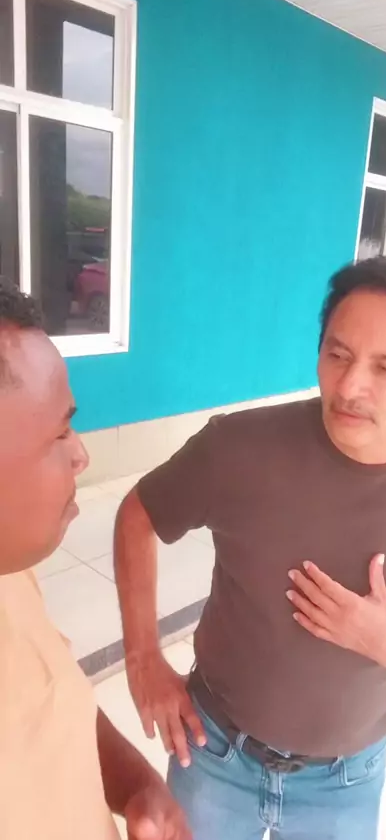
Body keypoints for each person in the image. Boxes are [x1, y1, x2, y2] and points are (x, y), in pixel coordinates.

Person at [114, 256, 386, 840]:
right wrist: (142, 657)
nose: (350, 387)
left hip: (346, 780)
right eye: (338, 354)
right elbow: (138, 515)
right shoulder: (239, 449)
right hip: (213, 751)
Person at [0, 277, 190, 840]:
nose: (81, 454)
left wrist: (136, 785)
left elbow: (57, 698)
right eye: (60, 433)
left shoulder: (11, 571)